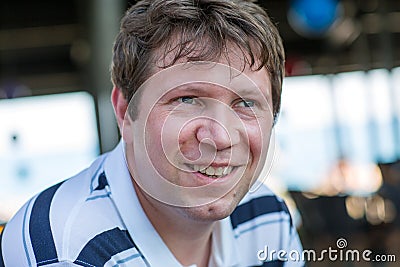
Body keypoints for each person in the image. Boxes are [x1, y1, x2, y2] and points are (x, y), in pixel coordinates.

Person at [0, 0, 304, 266]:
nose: (221, 138)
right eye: (186, 99)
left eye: (246, 103)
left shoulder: (266, 218)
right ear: (125, 112)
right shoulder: (65, 250)